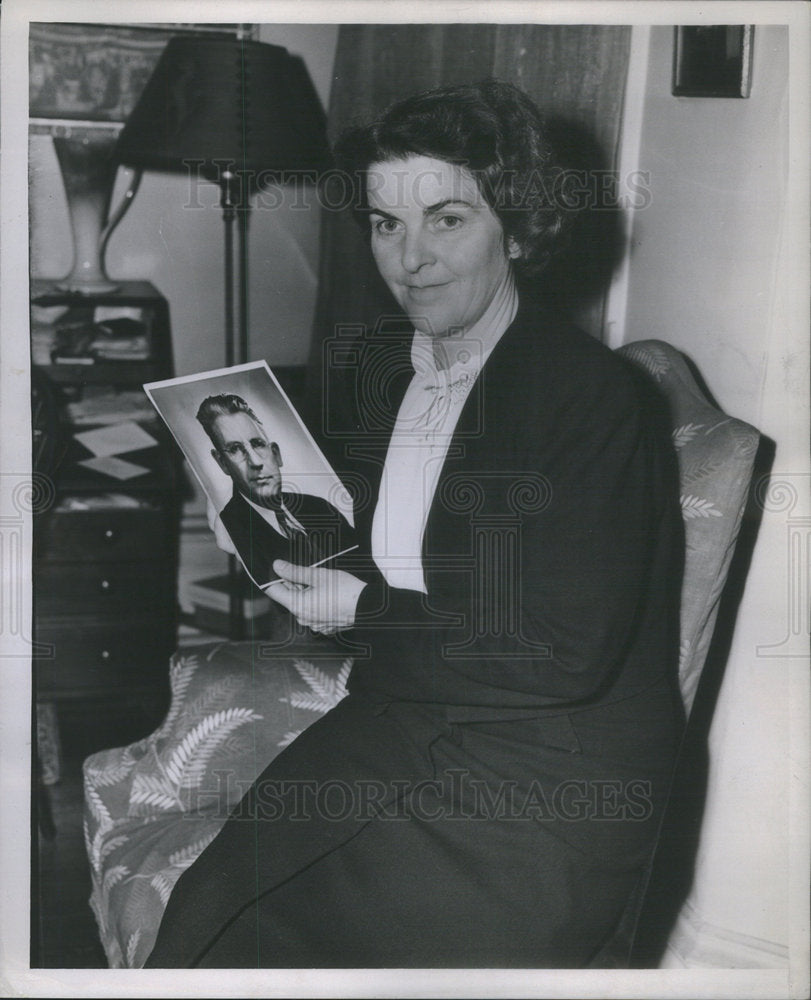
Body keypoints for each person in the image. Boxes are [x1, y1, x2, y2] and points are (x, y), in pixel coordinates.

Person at [146, 79, 684, 968]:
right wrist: (259, 524)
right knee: (212, 914)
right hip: (410, 714)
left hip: (544, 784)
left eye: (447, 220)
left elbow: (557, 652)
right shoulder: (391, 369)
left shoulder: (590, 399)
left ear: (514, 227)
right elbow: (388, 554)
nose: (411, 260)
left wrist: (358, 612)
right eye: (387, 225)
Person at [197, 393, 355, 589]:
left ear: (276, 454)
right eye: (235, 449)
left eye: (257, 444)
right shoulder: (233, 527)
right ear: (223, 463)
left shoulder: (320, 507)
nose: (255, 462)